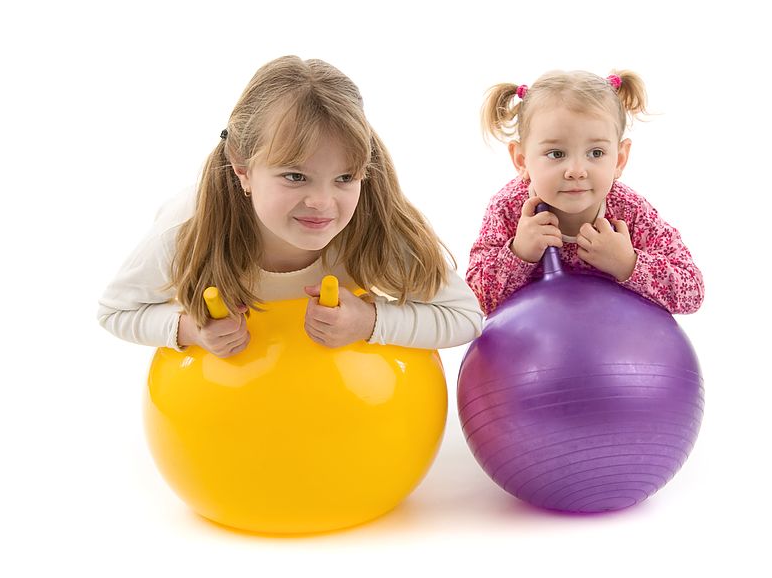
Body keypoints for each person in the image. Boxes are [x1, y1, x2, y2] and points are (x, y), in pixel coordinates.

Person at [98, 56, 483, 356]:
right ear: (242, 169)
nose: (321, 202)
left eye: (345, 178)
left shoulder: (377, 221)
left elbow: (465, 317)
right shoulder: (186, 227)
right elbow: (115, 311)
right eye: (295, 176)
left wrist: (370, 321)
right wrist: (190, 331)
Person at [468, 69, 704, 316]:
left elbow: (692, 290)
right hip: (536, 346)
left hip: (615, 346)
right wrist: (518, 253)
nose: (576, 171)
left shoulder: (629, 211)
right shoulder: (509, 209)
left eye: (596, 153)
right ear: (521, 160)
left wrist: (628, 264)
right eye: (556, 154)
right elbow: (475, 302)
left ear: (620, 159)